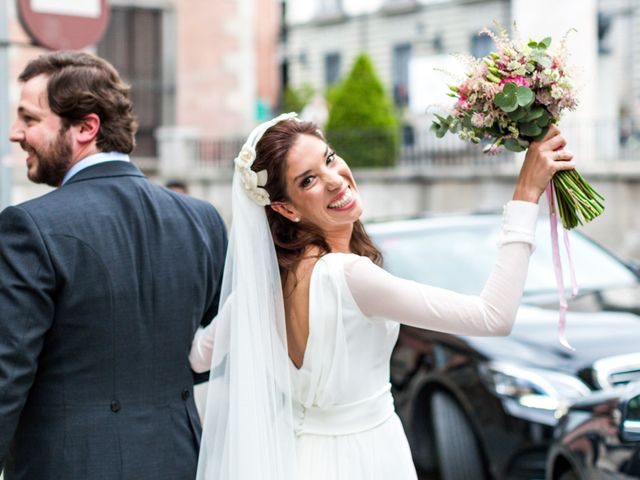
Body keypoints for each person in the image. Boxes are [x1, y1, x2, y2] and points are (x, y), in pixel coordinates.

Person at [188, 113, 575, 479]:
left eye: (330, 159)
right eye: (308, 180)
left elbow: (200, 354)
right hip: (365, 457)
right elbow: (494, 316)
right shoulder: (350, 276)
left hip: (294, 458)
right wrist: (526, 194)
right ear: (285, 208)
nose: (335, 179)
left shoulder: (264, 285)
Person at [0, 51, 227, 480]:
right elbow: (221, 347)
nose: (16, 134)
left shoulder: (29, 227)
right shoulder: (203, 220)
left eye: (29, 119)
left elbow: (5, 375)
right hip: (182, 461)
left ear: (87, 127)